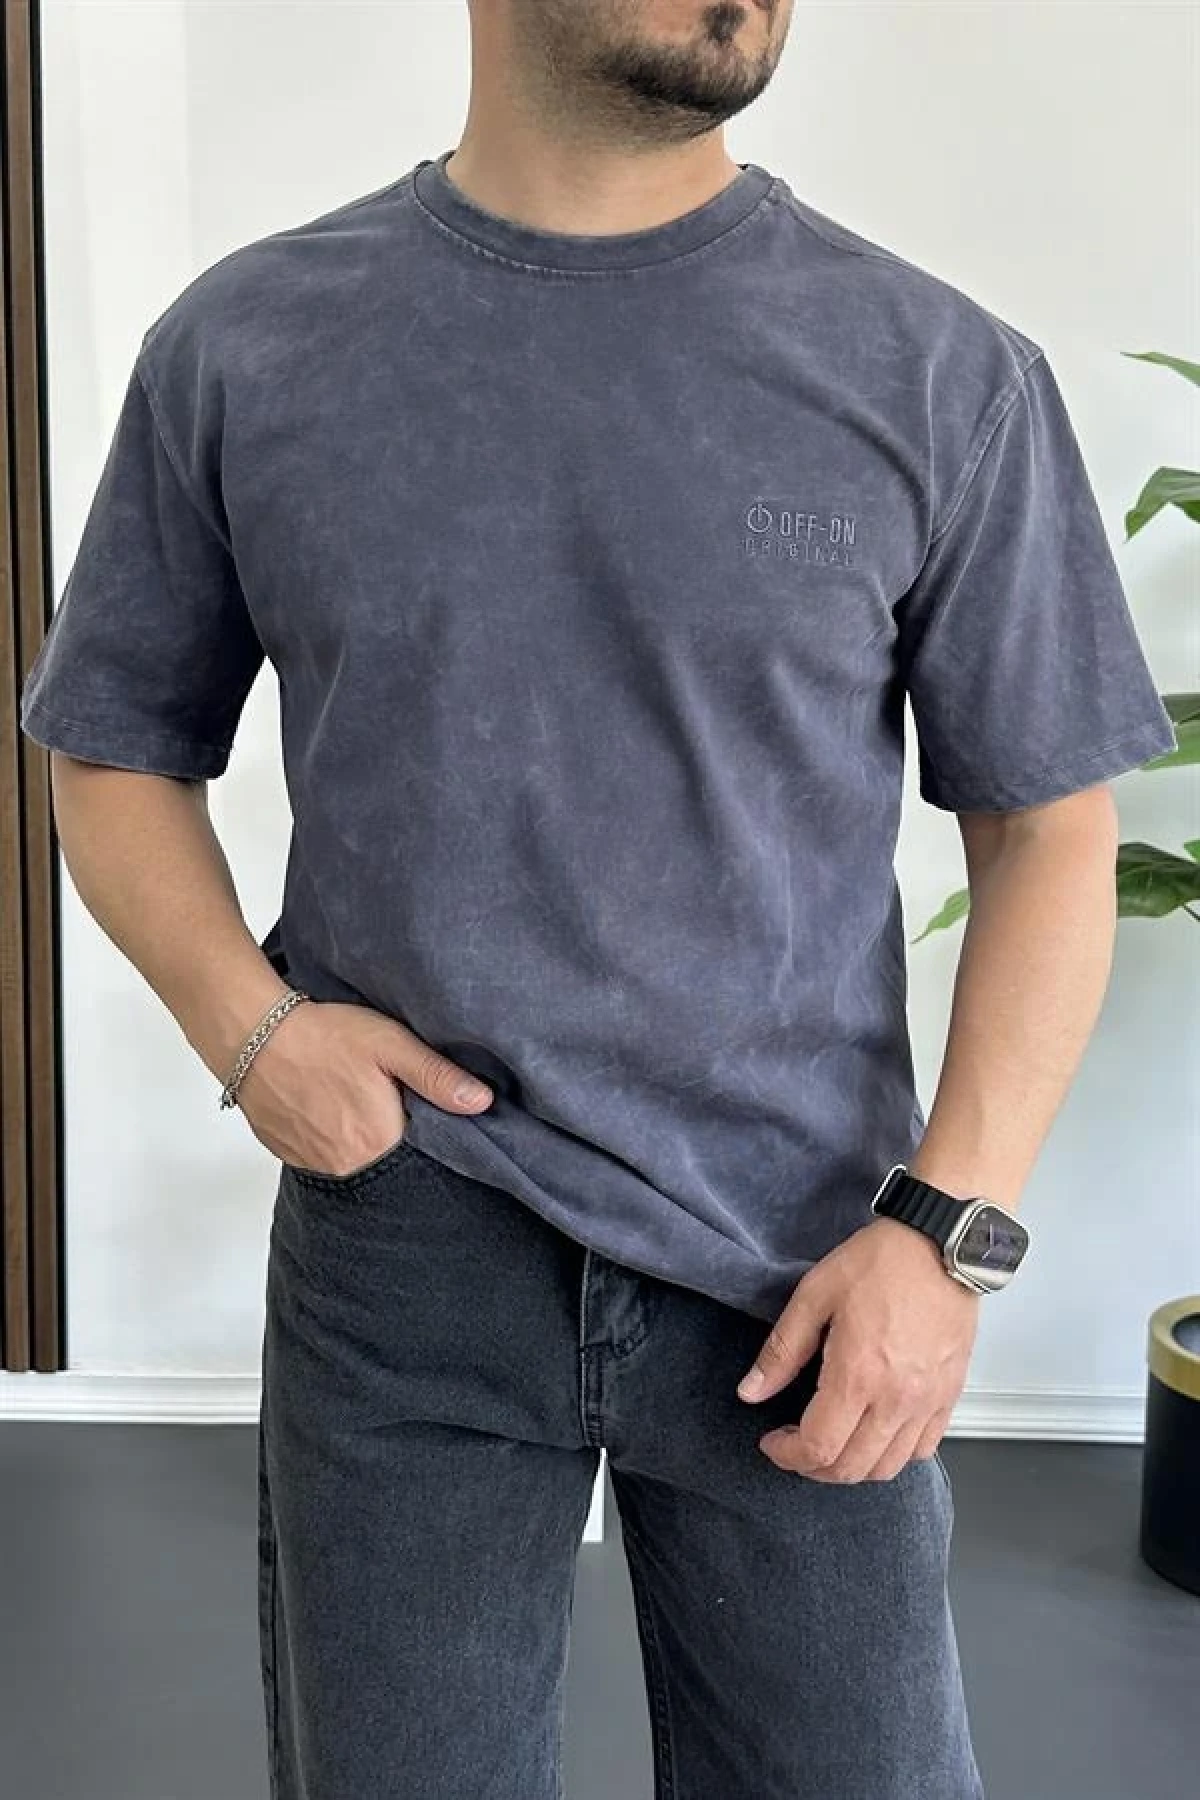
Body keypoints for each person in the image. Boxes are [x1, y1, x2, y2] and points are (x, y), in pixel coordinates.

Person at [20, 2, 1178, 1795]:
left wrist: (946, 1234)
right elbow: (109, 754)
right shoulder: (248, 346)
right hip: (413, 1244)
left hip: (805, 1266)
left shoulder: (938, 372)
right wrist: (253, 1036)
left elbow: (1046, 834)